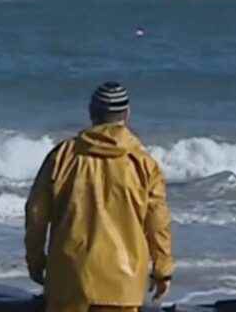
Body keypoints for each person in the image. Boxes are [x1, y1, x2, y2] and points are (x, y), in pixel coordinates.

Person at [25, 82, 174, 312]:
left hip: (69, 280)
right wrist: (163, 269)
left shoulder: (62, 156)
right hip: (123, 286)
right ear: (127, 114)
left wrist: (36, 261)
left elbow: (36, 213)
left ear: (91, 112)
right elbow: (157, 223)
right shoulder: (144, 164)